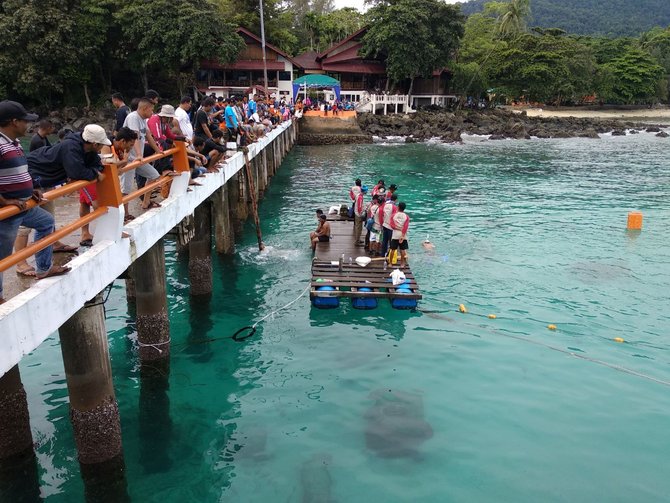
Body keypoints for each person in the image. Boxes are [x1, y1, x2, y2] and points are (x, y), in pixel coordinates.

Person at [0, 100, 70, 295]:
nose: (28, 125)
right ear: (14, 122)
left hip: (23, 205)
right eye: (25, 121)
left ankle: (43, 268)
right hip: (8, 211)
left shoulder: (13, 143)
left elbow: (18, 172)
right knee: (2, 255)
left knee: (47, 223)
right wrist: (5, 201)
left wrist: (31, 189)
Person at [79, 127, 138, 245]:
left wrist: (120, 164)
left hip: (97, 177)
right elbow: (106, 165)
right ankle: (107, 231)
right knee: (97, 205)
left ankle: (85, 233)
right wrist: (124, 161)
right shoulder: (107, 147)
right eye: (130, 145)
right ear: (122, 141)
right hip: (90, 175)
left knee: (85, 203)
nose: (130, 148)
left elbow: (116, 169)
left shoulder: (119, 149)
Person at [122, 98, 163, 213]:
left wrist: (158, 150)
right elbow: (134, 137)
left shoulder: (143, 119)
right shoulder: (133, 117)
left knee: (153, 175)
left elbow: (148, 135)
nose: (152, 113)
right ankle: (125, 214)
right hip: (130, 158)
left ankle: (146, 202)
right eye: (151, 110)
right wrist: (139, 155)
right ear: (144, 109)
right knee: (126, 188)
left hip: (138, 159)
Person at [389, 202, 410, 267]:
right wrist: (402, 235)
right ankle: (402, 263)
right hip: (403, 235)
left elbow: (392, 225)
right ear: (404, 208)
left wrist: (398, 228)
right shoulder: (406, 217)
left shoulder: (394, 215)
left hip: (395, 234)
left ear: (398, 207)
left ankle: (390, 263)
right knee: (402, 250)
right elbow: (405, 227)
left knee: (392, 249)